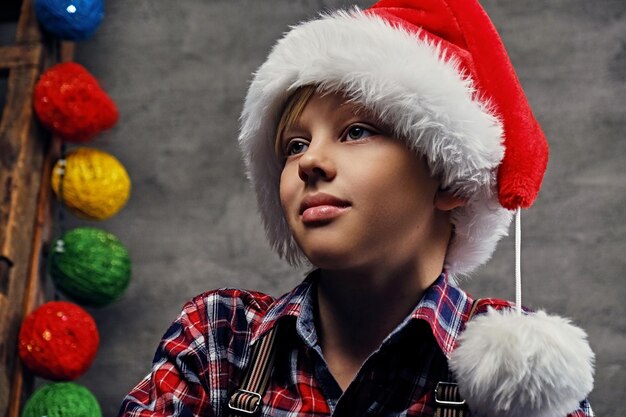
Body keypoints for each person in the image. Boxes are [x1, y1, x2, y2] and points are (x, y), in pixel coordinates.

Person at [118, 0, 594, 416]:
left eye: (356, 132)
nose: (310, 162)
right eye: (294, 144)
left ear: (452, 177)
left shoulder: (522, 383)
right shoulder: (219, 339)